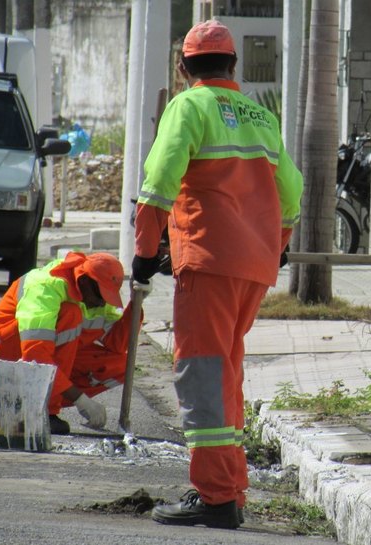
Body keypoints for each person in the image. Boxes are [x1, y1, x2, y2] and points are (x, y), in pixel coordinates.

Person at [132, 19, 303, 529]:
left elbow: (158, 181)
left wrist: (144, 253)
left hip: (208, 259)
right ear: (233, 65)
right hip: (253, 267)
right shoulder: (260, 115)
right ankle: (230, 488)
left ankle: (216, 497)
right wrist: (278, 245)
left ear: (183, 67)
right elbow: (292, 191)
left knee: (202, 374)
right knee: (226, 373)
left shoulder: (189, 106)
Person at [0, 251, 137, 434]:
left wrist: (136, 301)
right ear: (84, 281)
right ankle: (45, 412)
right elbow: (35, 354)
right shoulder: (44, 287)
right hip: (0, 356)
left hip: (40, 356)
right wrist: (80, 399)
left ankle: (42, 403)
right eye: (101, 296)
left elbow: (117, 343)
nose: (101, 304)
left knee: (122, 365)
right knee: (71, 314)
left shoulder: (92, 293)